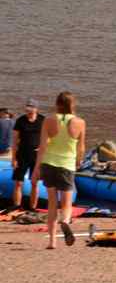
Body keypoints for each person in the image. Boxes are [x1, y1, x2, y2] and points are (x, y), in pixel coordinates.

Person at [34, 92, 85, 249]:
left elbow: (42, 147)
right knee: (67, 202)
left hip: (49, 163)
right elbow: (81, 147)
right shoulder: (80, 122)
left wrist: (37, 167)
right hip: (67, 164)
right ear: (73, 104)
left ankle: (52, 241)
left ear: (57, 104)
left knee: (51, 204)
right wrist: (78, 161)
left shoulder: (48, 120)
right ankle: (65, 220)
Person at [11, 99, 46, 210]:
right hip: (22, 155)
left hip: (36, 156)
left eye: (31, 107)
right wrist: (13, 158)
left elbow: (49, 137)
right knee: (18, 183)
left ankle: (33, 208)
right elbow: (15, 140)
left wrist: (43, 147)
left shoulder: (43, 120)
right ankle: (16, 207)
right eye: (27, 106)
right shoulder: (20, 120)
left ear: (36, 108)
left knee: (34, 183)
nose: (28, 109)